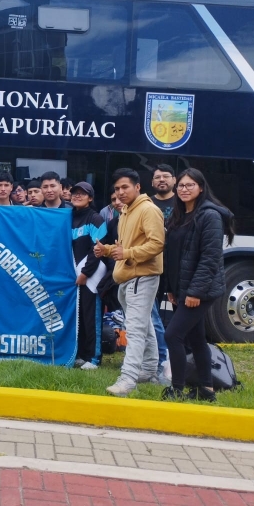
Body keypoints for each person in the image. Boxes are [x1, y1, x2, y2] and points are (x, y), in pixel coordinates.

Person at [162, 169, 235, 402]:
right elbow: (172, 256)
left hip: (199, 290)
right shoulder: (179, 216)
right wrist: (171, 288)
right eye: (181, 185)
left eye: (190, 185)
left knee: (172, 335)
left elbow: (210, 258)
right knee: (196, 339)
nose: (184, 189)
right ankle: (206, 389)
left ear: (201, 188)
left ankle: (177, 388)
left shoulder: (209, 216)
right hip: (182, 288)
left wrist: (194, 292)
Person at [94, 168, 165, 397]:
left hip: (141, 277)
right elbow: (124, 247)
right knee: (145, 327)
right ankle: (149, 370)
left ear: (138, 187)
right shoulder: (125, 211)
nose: (120, 192)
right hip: (127, 277)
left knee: (134, 330)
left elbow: (157, 244)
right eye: (116, 189)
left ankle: (128, 379)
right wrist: (106, 250)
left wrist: (126, 254)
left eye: (125, 187)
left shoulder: (148, 210)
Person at [70, 182, 107, 370]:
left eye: (82, 194)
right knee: (79, 316)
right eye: (74, 193)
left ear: (90, 198)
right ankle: (81, 354)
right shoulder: (67, 217)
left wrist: (85, 273)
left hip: (91, 276)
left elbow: (97, 249)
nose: (77, 196)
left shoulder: (96, 219)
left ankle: (94, 357)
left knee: (91, 316)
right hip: (73, 276)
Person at [150, 164, 177, 385]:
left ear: (174, 180)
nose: (161, 180)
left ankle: (177, 357)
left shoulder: (182, 202)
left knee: (178, 313)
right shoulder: (146, 204)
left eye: (165, 176)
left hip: (176, 267)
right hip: (152, 266)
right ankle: (158, 357)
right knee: (152, 314)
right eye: (157, 177)